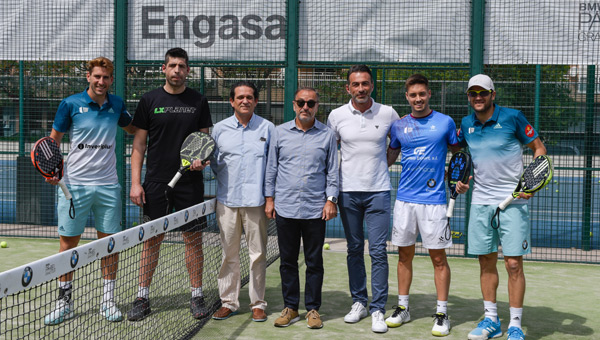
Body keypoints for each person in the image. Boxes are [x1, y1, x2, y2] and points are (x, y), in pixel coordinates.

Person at [43, 57, 136, 325]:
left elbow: (132, 128)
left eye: (106, 78)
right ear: (88, 77)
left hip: (108, 186)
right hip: (74, 187)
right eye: (97, 76)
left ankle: (107, 301)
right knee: (67, 245)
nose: (101, 82)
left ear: (110, 80)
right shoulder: (70, 104)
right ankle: (64, 303)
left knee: (109, 245)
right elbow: (52, 143)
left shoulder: (116, 104)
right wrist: (53, 171)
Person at [456, 74, 547, 340]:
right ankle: (492, 320)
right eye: (473, 94)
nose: (478, 98)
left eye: (482, 93)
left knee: (513, 265)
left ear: (493, 95)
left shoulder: (513, 117)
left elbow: (538, 148)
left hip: (513, 203)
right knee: (486, 262)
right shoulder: (466, 124)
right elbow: (464, 159)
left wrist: (532, 180)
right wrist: (461, 181)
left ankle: (515, 325)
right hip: (481, 202)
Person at [127, 47, 213, 321]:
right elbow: (139, 144)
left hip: (190, 184)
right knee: (152, 240)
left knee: (193, 240)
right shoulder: (149, 100)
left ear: (188, 71)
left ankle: (197, 294)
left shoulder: (199, 101)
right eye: (172, 65)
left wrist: (201, 161)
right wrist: (136, 183)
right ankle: (142, 296)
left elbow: (203, 142)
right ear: (163, 69)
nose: (177, 70)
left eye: (182, 66)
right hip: (154, 183)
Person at [385, 74, 460, 337]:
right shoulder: (398, 126)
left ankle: (442, 313)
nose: (418, 99)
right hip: (405, 201)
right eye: (413, 95)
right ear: (407, 97)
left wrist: (459, 179)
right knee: (403, 256)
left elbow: (458, 154)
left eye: (422, 94)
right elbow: (390, 156)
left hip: (435, 203)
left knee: (438, 258)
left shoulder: (445, 122)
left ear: (429, 95)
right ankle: (403, 307)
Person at [327, 64, 399, 333]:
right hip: (347, 193)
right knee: (355, 249)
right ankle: (359, 301)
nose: (360, 89)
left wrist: (384, 165)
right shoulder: (336, 116)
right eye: (355, 84)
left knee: (379, 251)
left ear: (372, 86)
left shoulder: (388, 113)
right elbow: (330, 153)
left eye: (365, 84)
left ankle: (378, 307)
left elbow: (397, 143)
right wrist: (332, 195)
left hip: (378, 192)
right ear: (348, 88)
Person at [264, 87, 338, 329]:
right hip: (285, 208)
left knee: (314, 261)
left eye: (311, 103)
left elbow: (333, 171)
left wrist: (331, 200)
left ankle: (313, 309)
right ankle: (291, 308)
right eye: (301, 103)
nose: (305, 107)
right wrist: (269, 199)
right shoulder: (279, 132)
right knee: (287, 261)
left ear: (317, 106)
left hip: (316, 209)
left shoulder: (327, 135)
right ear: (294, 105)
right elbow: (271, 168)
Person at [210, 81, 274, 322]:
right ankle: (229, 302)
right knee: (229, 254)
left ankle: (258, 303)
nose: (245, 101)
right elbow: (215, 163)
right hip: (226, 202)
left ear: (255, 101)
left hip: (256, 203)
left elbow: (272, 166)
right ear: (231, 101)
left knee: (257, 254)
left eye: (249, 97)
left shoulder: (268, 128)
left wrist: (269, 198)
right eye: (240, 97)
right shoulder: (219, 129)